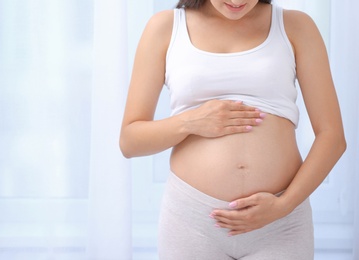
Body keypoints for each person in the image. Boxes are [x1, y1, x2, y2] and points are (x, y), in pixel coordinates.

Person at [120, 0, 346, 259]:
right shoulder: (166, 27)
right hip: (193, 222)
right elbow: (130, 140)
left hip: (280, 223)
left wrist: (284, 205)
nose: (237, 1)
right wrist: (191, 121)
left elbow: (332, 137)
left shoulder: (296, 27)